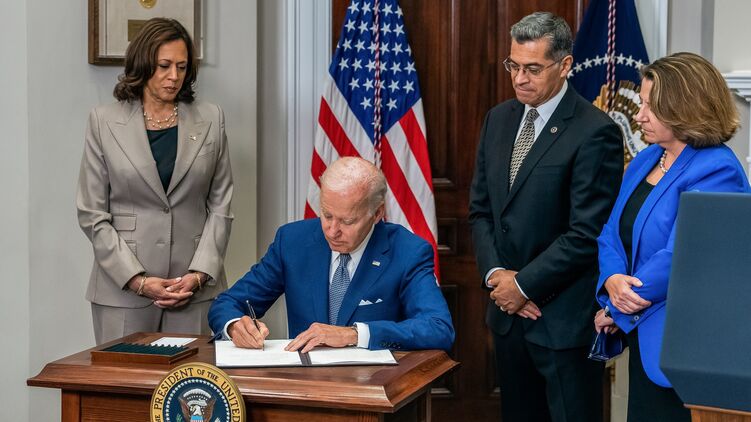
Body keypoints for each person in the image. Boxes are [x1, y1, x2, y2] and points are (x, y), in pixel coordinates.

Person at [469, 11, 624, 421]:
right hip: (508, 316)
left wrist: (524, 285)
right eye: (513, 65)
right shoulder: (498, 119)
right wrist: (498, 279)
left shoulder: (595, 131)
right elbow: (482, 211)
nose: (520, 78)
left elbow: (586, 233)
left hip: (562, 323)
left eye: (533, 68)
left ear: (565, 65)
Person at [594, 52, 751, 421]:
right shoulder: (647, 159)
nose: (639, 115)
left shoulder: (718, 169)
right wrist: (611, 279)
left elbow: (681, 255)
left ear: (684, 107)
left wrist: (618, 305)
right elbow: (611, 232)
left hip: (684, 345)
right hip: (642, 331)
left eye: (651, 106)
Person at [77, 18, 233, 345]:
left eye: (181, 67)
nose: (174, 76)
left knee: (191, 378)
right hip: (122, 291)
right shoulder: (104, 121)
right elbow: (92, 214)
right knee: (123, 378)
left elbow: (221, 205)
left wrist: (199, 273)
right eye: (164, 66)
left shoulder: (211, 118)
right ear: (143, 64)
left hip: (193, 289)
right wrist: (136, 279)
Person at [208, 157, 454, 353]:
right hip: (305, 385)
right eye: (326, 215)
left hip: (374, 386)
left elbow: (438, 328)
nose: (332, 230)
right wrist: (234, 326)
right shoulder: (293, 241)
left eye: (347, 221)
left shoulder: (408, 251)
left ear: (377, 214)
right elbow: (227, 303)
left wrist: (354, 334)